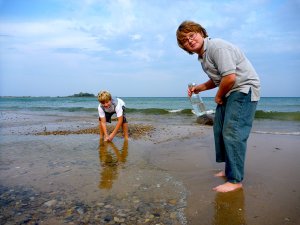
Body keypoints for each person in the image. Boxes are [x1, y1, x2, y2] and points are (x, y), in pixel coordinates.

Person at [176, 21, 260, 192]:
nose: (190, 40)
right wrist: (199, 87)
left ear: (201, 32)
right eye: (185, 40)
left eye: (192, 35)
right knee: (220, 130)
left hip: (243, 89)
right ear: (184, 47)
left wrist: (219, 96)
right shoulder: (203, 57)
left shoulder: (217, 47)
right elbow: (218, 79)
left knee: (233, 132)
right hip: (231, 90)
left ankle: (235, 180)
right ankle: (230, 170)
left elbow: (229, 77)